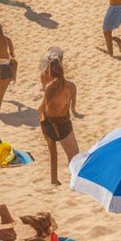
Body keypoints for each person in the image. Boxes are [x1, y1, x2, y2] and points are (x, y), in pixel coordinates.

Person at [40, 57, 79, 186]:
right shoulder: (71, 86)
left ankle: (54, 179)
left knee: (53, 151)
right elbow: (73, 108)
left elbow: (43, 108)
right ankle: (75, 178)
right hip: (63, 121)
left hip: (48, 122)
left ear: (50, 72)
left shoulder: (49, 87)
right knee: (74, 154)